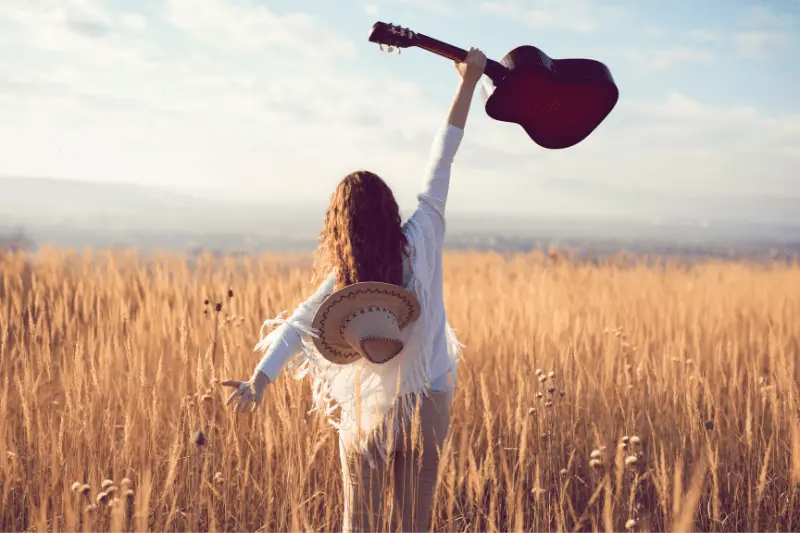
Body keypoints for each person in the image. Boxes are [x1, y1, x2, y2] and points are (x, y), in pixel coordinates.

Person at [222, 47, 488, 533]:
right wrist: (467, 82)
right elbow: (442, 154)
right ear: (389, 208)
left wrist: (259, 381)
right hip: (430, 397)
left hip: (372, 407)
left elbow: (299, 325)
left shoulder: (349, 279)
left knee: (359, 521)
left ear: (341, 228)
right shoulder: (425, 232)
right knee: (414, 523)